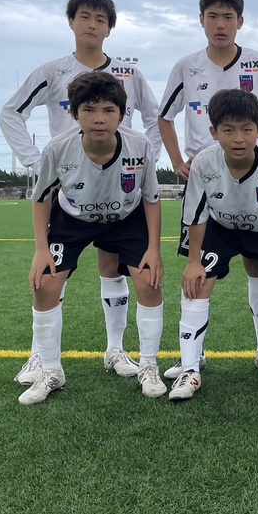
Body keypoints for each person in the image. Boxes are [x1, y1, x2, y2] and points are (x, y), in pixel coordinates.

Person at [0, 0, 160, 386]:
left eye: (100, 19)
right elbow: (10, 113)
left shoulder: (129, 73)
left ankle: (116, 350)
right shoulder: (52, 71)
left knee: (113, 268)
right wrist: (36, 163)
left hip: (119, 191)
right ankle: (40, 358)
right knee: (50, 276)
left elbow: (155, 118)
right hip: (70, 187)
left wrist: (143, 161)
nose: (92, 24)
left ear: (109, 28)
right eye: (84, 17)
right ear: (71, 22)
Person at [157, 0, 258, 382]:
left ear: (240, 21)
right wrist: (177, 160)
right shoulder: (187, 66)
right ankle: (191, 357)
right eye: (212, 16)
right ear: (201, 20)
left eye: (227, 17)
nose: (220, 24)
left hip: (256, 175)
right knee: (197, 268)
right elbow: (164, 116)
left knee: (257, 265)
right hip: (207, 179)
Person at [20, 71, 164, 405]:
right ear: (74, 113)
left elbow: (151, 198)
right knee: (44, 284)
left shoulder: (140, 145)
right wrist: (41, 249)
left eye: (109, 110)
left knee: (149, 282)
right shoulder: (58, 148)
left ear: (122, 114)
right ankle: (50, 370)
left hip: (125, 219)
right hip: (72, 219)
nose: (99, 118)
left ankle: (145, 364)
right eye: (89, 109)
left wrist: (154, 249)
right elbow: (41, 198)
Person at [173, 89, 258, 403]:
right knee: (196, 284)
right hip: (221, 228)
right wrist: (193, 262)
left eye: (246, 129)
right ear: (214, 132)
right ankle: (190, 369)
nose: (238, 138)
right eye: (228, 130)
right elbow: (196, 216)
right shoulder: (204, 162)